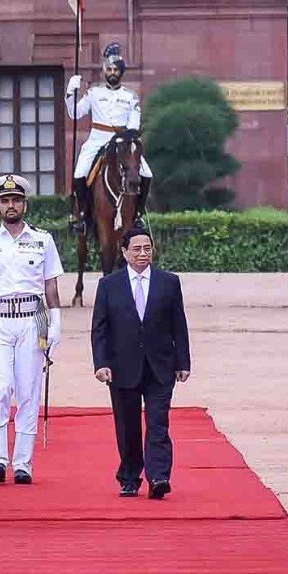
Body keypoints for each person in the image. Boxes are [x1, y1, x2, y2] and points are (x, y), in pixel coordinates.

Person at [0, 174, 64, 484]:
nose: (11, 205)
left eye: (16, 200)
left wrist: (56, 322)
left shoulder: (42, 240)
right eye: (5, 201)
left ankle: (23, 463)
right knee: (0, 387)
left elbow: (50, 286)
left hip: (31, 320)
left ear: (25, 204)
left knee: (28, 391)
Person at [91, 223, 191, 498]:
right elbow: (100, 329)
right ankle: (130, 476)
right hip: (122, 366)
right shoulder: (108, 285)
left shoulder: (169, 282)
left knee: (159, 423)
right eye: (136, 249)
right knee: (128, 425)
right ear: (124, 252)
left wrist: (183, 362)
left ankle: (158, 477)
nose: (143, 253)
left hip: (161, 366)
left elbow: (178, 324)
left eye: (147, 248)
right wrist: (101, 363)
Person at [66, 40, 151, 233]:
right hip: (97, 139)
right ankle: (83, 217)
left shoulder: (131, 96)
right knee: (80, 173)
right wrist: (71, 92)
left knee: (146, 173)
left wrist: (127, 137)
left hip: (122, 140)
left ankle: (137, 215)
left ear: (121, 72)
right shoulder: (94, 93)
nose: (112, 73)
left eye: (115, 69)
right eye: (109, 69)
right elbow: (75, 113)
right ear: (105, 71)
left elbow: (134, 124)